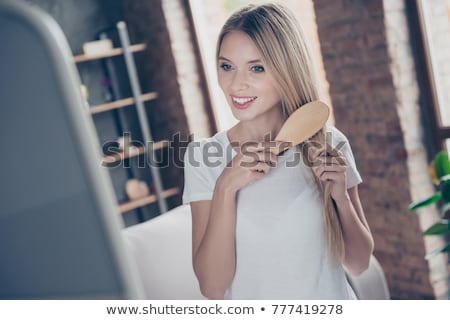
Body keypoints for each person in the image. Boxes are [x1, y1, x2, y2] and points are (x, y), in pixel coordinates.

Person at [182, 3, 374, 300]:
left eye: (256, 68)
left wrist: (340, 198)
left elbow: (359, 263)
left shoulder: (328, 143)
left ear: (287, 70)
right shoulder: (203, 157)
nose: (236, 84)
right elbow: (212, 287)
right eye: (226, 66)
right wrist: (225, 186)